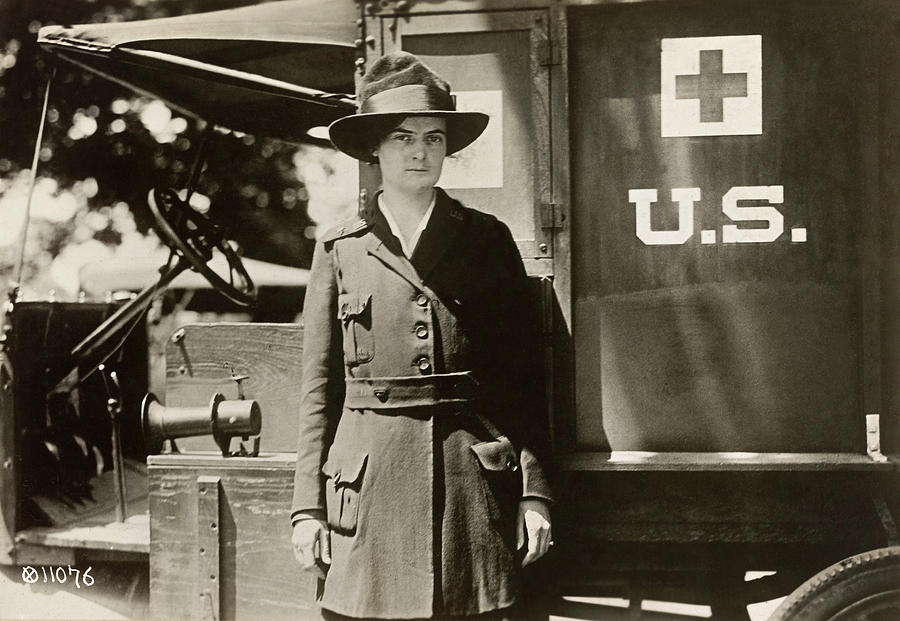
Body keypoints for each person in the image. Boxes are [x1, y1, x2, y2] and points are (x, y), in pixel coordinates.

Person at [291, 51, 553, 620]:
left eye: (433, 138)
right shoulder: (340, 248)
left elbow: (523, 380)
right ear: (374, 149)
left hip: (469, 493)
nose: (419, 152)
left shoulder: (487, 241)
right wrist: (306, 509)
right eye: (403, 137)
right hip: (368, 497)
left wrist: (534, 492)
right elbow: (318, 391)